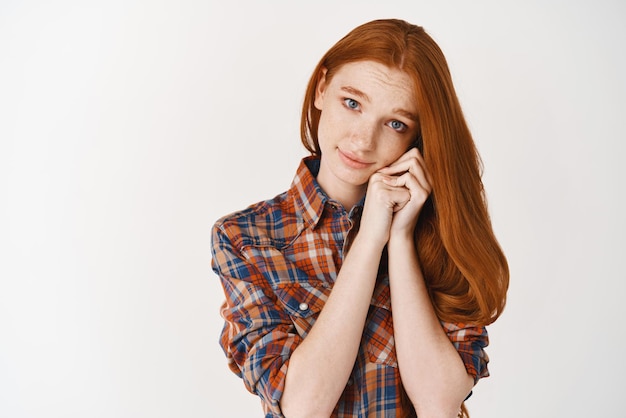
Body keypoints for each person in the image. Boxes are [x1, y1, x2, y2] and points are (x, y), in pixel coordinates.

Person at [211, 18, 509, 418]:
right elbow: (303, 406)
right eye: (352, 103)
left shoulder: (442, 234)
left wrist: (400, 238)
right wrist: (369, 239)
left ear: (416, 139)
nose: (363, 140)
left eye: (395, 123)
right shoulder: (245, 238)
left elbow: (439, 403)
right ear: (321, 89)